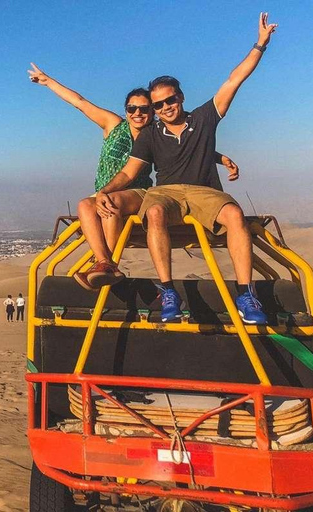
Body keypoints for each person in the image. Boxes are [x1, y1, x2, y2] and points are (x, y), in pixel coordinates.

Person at [94, 13, 277, 324]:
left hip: (205, 192)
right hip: (165, 193)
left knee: (234, 215)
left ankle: (246, 294)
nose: (166, 107)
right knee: (153, 213)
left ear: (181, 97)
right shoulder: (151, 134)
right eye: (158, 105)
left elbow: (234, 79)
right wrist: (106, 191)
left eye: (171, 100)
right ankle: (168, 292)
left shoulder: (204, 118)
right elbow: (128, 171)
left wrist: (260, 44)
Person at [29, 64, 239, 291]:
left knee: (111, 206)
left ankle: (107, 264)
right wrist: (47, 81)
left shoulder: (155, 134)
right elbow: (80, 103)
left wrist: (218, 158)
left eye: (145, 109)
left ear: (153, 111)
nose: (137, 113)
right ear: (125, 110)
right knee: (85, 205)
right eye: (132, 108)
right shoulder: (113, 124)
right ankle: (103, 261)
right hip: (106, 189)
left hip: (138, 194)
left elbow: (185, 149)